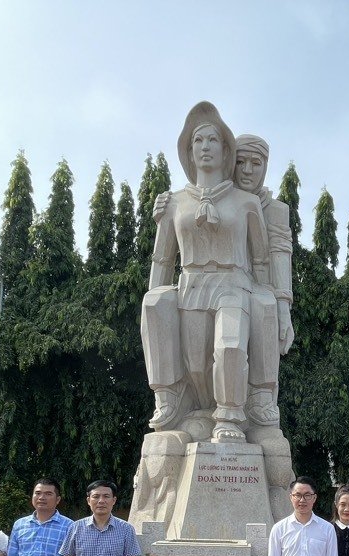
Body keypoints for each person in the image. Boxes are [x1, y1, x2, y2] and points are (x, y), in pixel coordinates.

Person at [141, 101, 270, 441]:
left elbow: (261, 260)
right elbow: (162, 259)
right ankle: (171, 399)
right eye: (197, 141)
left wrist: (273, 306)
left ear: (225, 149)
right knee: (196, 366)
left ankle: (229, 417)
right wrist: (152, 305)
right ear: (188, 151)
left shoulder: (247, 202)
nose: (205, 147)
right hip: (192, 286)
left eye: (213, 140)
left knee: (230, 347)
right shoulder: (173, 202)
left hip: (234, 285)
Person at [232, 133, 294, 426]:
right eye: (240, 161)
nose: (247, 170)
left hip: (261, 290)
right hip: (223, 286)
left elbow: (281, 254)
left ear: (265, 166)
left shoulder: (276, 210)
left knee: (265, 309)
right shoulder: (219, 201)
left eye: (255, 163)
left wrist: (284, 308)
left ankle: (261, 400)